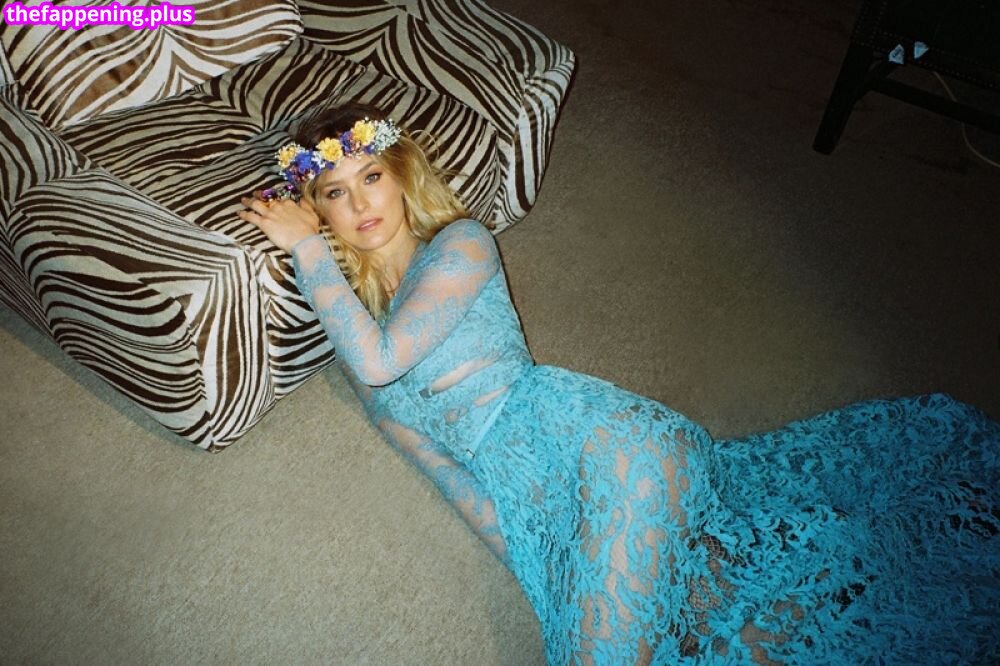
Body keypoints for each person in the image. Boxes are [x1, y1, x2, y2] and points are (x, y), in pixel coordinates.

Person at [239, 105, 999, 665]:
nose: (360, 203)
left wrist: (307, 252)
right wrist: (540, 562)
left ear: (401, 175)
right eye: (334, 192)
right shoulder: (357, 333)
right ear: (321, 208)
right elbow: (439, 465)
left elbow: (383, 358)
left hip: (615, 451)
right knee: (711, 628)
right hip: (548, 515)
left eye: (371, 176)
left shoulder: (462, 245)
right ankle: (869, 572)